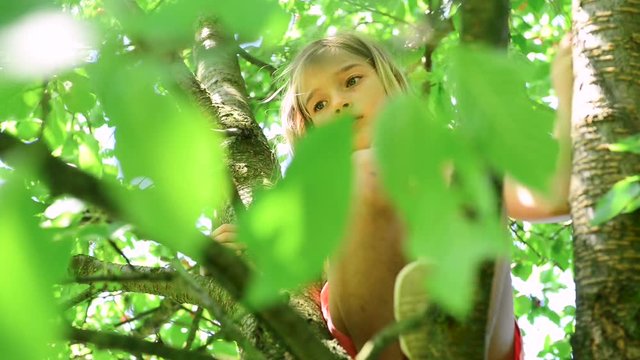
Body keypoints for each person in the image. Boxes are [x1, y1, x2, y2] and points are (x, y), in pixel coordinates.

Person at [212, 33, 573, 360]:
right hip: (379, 342)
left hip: (480, 337)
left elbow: (556, 197)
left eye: (352, 81)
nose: (338, 103)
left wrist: (568, 95)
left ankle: (447, 316)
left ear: (392, 83)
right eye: (319, 105)